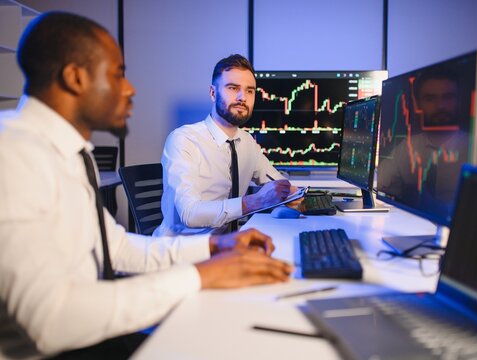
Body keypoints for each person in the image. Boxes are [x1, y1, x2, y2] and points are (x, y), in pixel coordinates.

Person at [0, 12, 292, 359]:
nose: (130, 88)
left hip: (94, 336)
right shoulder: (13, 151)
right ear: (75, 78)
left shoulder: (69, 152)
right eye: (118, 74)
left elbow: (116, 248)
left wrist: (217, 248)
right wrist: (200, 277)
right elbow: (48, 322)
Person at [154, 54, 297, 236]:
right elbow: (189, 214)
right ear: (213, 93)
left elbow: (279, 184)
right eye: (233, 88)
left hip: (226, 246)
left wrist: (306, 196)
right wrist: (256, 201)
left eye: (249, 91)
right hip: (183, 251)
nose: (242, 97)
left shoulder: (247, 142)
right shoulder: (184, 140)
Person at [377, 67, 470, 219]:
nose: (440, 106)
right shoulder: (407, 148)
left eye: (448, 97)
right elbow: (382, 186)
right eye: (430, 98)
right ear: (418, 103)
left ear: (458, 100)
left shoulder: (474, 150)